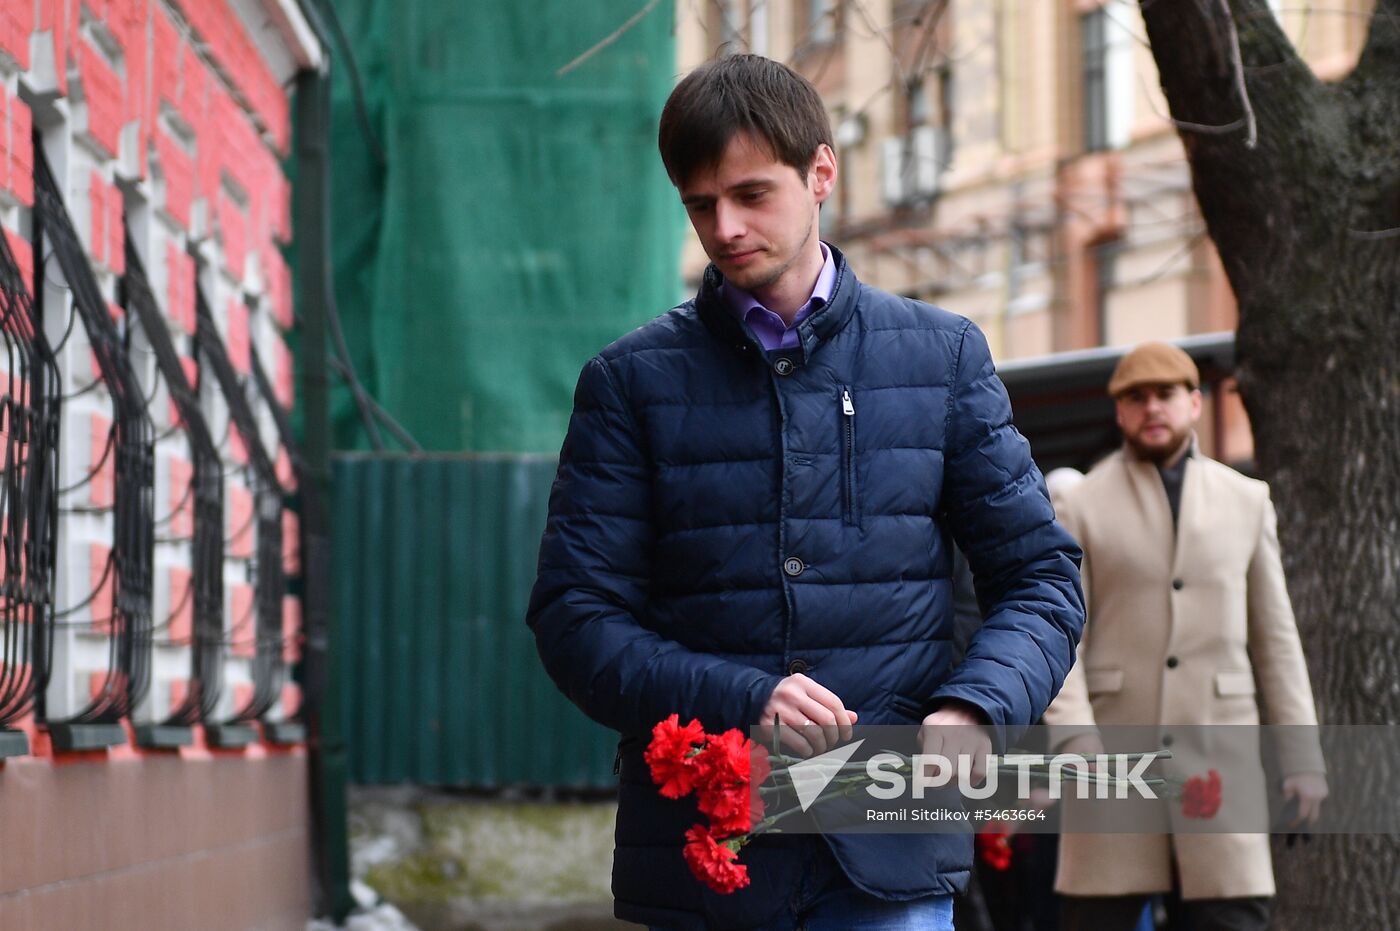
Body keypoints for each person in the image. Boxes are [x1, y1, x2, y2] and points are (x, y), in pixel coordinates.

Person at [527, 54, 1084, 931]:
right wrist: (741, 697)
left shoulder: (941, 357)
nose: (725, 227)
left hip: (888, 847)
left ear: (822, 171)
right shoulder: (629, 382)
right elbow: (574, 618)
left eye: (751, 194)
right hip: (706, 865)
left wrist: (978, 703)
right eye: (700, 205)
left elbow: (1042, 577)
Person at [1042, 342, 1328, 931]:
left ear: (1195, 402)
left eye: (1166, 394)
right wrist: (1075, 739)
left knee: (1231, 917)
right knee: (1097, 918)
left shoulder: (1247, 500)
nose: (1152, 407)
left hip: (1220, 761)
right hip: (1111, 760)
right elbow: (1063, 634)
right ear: (1119, 412)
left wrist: (1303, 759)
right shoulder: (1080, 502)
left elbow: (1276, 641)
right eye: (1136, 397)